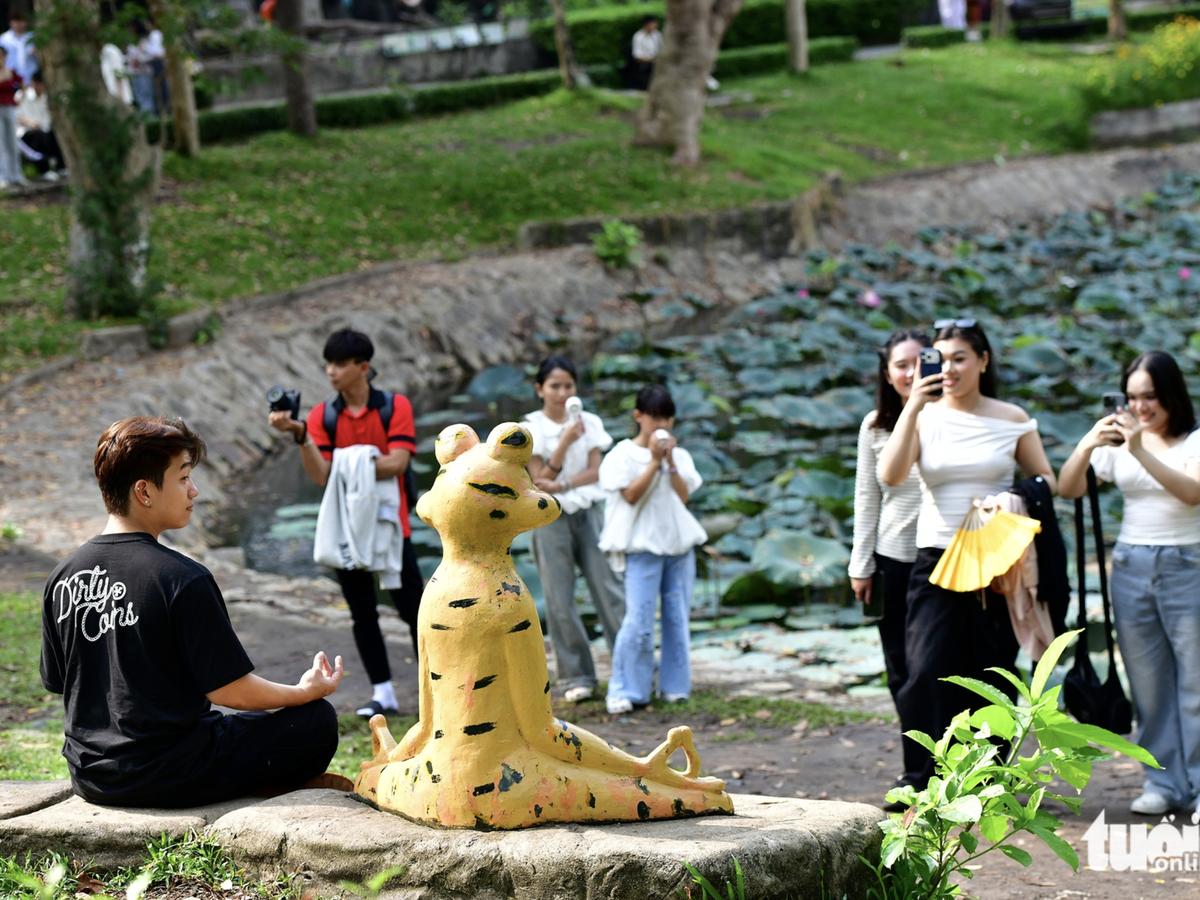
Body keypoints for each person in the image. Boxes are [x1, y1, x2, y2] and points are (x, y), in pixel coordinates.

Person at [41, 416, 342, 808]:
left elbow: (60, 681)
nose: (194, 490)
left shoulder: (62, 577)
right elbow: (230, 691)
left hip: (92, 775)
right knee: (317, 722)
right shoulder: (183, 578)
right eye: (183, 478)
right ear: (144, 491)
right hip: (171, 772)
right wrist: (302, 692)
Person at [879, 319, 1056, 793]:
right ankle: (923, 779)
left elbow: (1046, 479)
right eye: (940, 359)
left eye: (960, 357)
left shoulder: (1012, 418)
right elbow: (892, 474)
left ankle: (991, 777)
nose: (949, 368)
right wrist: (914, 404)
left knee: (992, 667)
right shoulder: (923, 414)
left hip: (996, 557)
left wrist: (1013, 495)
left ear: (983, 360)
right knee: (925, 668)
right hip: (936, 555)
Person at [1059, 350, 1200, 816]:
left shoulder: (1193, 442)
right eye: (1133, 397)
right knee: (1149, 684)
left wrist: (1138, 449)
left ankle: (1198, 785)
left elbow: (1192, 492)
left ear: (1171, 396)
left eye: (1151, 397)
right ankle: (1163, 782)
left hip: (1187, 563)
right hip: (1131, 566)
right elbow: (1069, 489)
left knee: (1196, 682)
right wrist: (1086, 446)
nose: (1140, 407)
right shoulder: (1116, 447)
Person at [269, 328, 422, 720]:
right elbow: (321, 474)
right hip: (346, 530)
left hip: (391, 526)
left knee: (414, 611)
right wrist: (303, 436)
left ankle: (433, 686)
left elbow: (399, 463)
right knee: (362, 611)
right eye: (328, 363)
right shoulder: (323, 416)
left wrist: (347, 462)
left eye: (339, 364)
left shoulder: (394, 407)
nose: (331, 371)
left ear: (363, 367)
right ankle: (383, 692)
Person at [848, 328, 931, 790]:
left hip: (949, 555)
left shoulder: (952, 415)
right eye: (901, 364)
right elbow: (867, 496)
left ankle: (960, 768)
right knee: (901, 669)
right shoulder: (875, 425)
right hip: (893, 557)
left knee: (939, 666)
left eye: (921, 361)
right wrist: (861, 564)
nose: (911, 372)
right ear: (887, 372)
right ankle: (917, 770)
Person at [598, 384, 707, 715]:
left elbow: (683, 496)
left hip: (677, 547)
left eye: (666, 418)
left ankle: (674, 687)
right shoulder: (621, 455)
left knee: (677, 617)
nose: (660, 425)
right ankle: (626, 689)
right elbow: (630, 496)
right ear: (638, 416)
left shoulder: (680, 455)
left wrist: (669, 460)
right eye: (654, 417)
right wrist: (653, 461)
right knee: (639, 619)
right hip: (641, 548)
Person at [523, 356, 625, 704]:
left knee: (609, 590)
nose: (562, 392)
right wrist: (565, 441)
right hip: (549, 519)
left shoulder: (590, 422)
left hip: (590, 513)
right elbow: (539, 480)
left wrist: (563, 483)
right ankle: (577, 677)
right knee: (559, 599)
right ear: (540, 389)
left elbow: (598, 471)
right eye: (554, 386)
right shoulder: (531, 428)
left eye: (568, 385)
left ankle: (630, 671)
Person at [17, 71, 62, 179]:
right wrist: (31, 123)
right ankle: (44, 170)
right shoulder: (22, 95)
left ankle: (61, 168)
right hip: (27, 132)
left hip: (47, 130)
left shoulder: (48, 97)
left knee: (56, 135)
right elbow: (15, 116)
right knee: (40, 137)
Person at [0, 45, 23, 188]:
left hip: (9, 108)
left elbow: (22, 83)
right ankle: (2, 176)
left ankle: (16, 175)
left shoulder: (10, 71)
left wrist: (20, 98)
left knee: (12, 143)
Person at [0, 11, 35, 83]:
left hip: (30, 75)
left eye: (21, 21)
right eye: (15, 21)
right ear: (10, 22)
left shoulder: (32, 37)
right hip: (11, 76)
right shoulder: (4, 39)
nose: (18, 24)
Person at [628, 15, 661, 91]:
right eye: (653, 23)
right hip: (645, 64)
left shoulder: (657, 35)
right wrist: (651, 60)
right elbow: (637, 56)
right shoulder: (638, 37)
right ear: (647, 24)